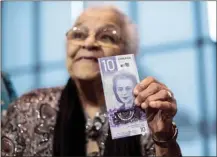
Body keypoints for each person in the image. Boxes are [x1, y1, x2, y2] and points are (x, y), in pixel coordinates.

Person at [1, 6, 182, 157]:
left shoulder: (146, 112)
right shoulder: (27, 109)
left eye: (106, 36)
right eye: (78, 35)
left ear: (129, 54)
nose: (88, 43)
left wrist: (163, 135)